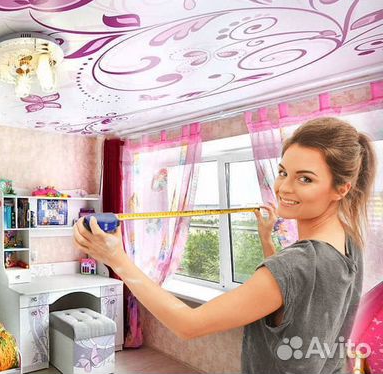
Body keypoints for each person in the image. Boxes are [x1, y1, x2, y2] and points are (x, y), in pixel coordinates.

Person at [74, 117, 377, 374]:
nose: (284, 187)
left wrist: (117, 259)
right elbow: (292, 295)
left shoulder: (299, 263)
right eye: (283, 172)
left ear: (342, 188)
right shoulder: (348, 241)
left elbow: (188, 324)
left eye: (305, 179)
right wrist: (266, 239)